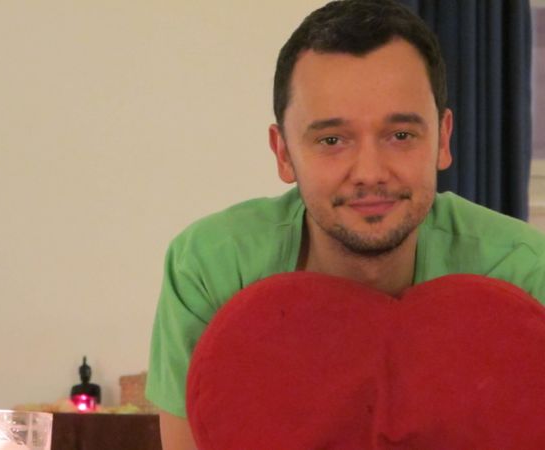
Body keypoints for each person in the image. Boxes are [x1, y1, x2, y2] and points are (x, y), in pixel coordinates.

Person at [146, 1, 545, 448]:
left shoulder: (522, 274)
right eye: (332, 140)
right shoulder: (210, 268)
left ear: (443, 139)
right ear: (283, 153)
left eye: (401, 135)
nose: (370, 172)